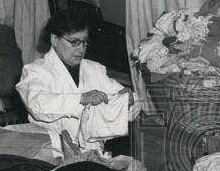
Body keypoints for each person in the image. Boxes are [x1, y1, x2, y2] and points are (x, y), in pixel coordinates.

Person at [16, 8, 138, 150]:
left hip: (94, 153)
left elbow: (131, 106)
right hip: (53, 152)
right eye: (74, 42)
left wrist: (128, 101)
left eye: (84, 42)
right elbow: (37, 104)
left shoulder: (94, 70)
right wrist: (80, 99)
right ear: (54, 39)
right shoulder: (35, 71)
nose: (81, 49)